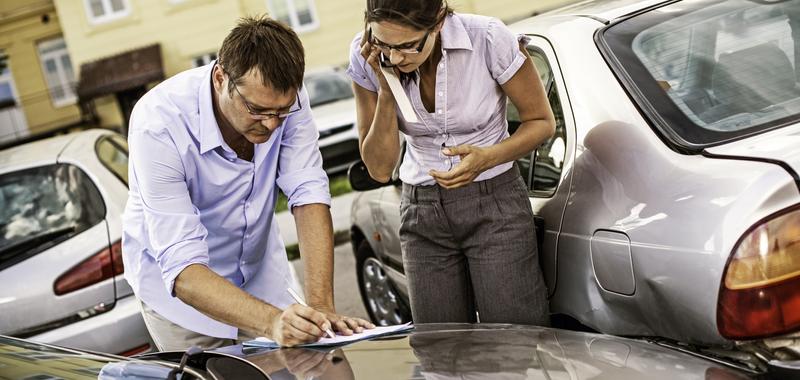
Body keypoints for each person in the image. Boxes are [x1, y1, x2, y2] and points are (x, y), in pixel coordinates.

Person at [122, 15, 373, 351]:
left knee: (309, 361)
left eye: (280, 112)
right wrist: (271, 322)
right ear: (220, 77)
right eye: (256, 109)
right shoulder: (157, 124)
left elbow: (308, 193)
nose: (270, 125)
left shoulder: (286, 99)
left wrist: (321, 308)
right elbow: (183, 267)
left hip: (260, 276)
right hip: (185, 300)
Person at [347, 0, 555, 324]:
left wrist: (487, 159)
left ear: (438, 22)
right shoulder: (367, 58)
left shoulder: (487, 38)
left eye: (407, 46)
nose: (395, 57)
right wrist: (387, 88)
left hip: (495, 204)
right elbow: (379, 168)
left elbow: (542, 121)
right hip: (421, 214)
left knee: (517, 341)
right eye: (384, 45)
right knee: (441, 348)